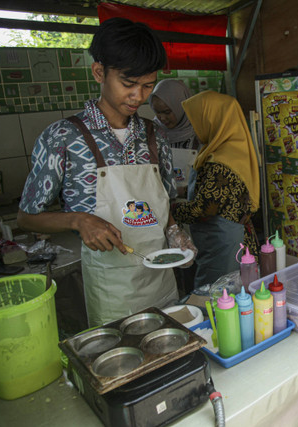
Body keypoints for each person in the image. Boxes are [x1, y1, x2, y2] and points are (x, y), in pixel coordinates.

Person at [17, 17, 196, 327]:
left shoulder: (155, 136)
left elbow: (164, 203)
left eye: (147, 85)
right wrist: (77, 219)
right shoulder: (63, 137)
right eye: (128, 84)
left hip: (162, 284)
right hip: (112, 292)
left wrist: (174, 232)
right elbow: (27, 216)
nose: (138, 97)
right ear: (99, 72)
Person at [171, 90, 260, 288]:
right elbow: (222, 193)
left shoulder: (219, 162)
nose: (194, 127)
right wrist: (185, 192)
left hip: (223, 243)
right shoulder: (233, 149)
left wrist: (168, 212)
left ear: (211, 120)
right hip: (235, 236)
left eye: (197, 120)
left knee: (218, 293)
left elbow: (204, 209)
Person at [148, 79, 200, 199]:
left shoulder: (199, 133)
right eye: (157, 112)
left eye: (167, 112)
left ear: (181, 106)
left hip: (192, 205)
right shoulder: (152, 134)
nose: (162, 118)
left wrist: (185, 191)